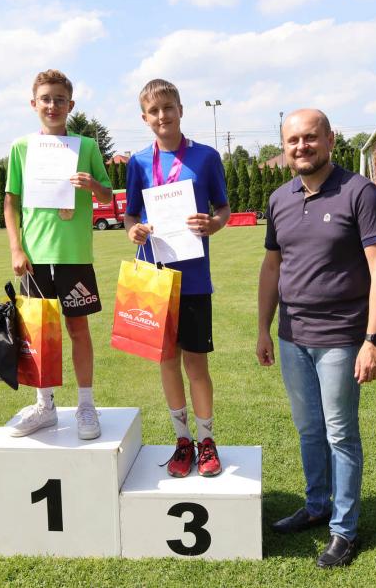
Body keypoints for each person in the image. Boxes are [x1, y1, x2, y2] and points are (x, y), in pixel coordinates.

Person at [257, 109, 376, 568]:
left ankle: (344, 530)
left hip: (341, 337)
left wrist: (373, 338)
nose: (302, 146)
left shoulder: (359, 191)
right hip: (292, 337)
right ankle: (317, 505)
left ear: (330, 139)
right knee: (309, 429)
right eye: (293, 140)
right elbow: (272, 267)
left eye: (310, 137)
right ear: (285, 147)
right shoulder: (279, 198)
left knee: (340, 433)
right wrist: (263, 328)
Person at [124, 79, 230, 478]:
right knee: (167, 362)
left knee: (196, 364)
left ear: (181, 110)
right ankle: (182, 441)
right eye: (154, 111)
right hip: (154, 280)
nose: (162, 116)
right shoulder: (138, 162)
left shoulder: (206, 157)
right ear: (144, 118)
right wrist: (133, 230)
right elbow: (130, 215)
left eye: (168, 107)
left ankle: (207, 440)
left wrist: (213, 224)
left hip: (194, 280)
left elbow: (222, 208)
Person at [4, 69, 113, 440]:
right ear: (33, 103)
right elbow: (11, 202)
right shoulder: (21, 147)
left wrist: (92, 184)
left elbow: (107, 195)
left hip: (74, 254)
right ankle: (45, 405)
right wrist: (16, 247)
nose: (52, 105)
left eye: (60, 100)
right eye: (46, 99)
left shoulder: (86, 147)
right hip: (34, 258)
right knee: (39, 335)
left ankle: (86, 405)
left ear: (71, 104)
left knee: (78, 330)